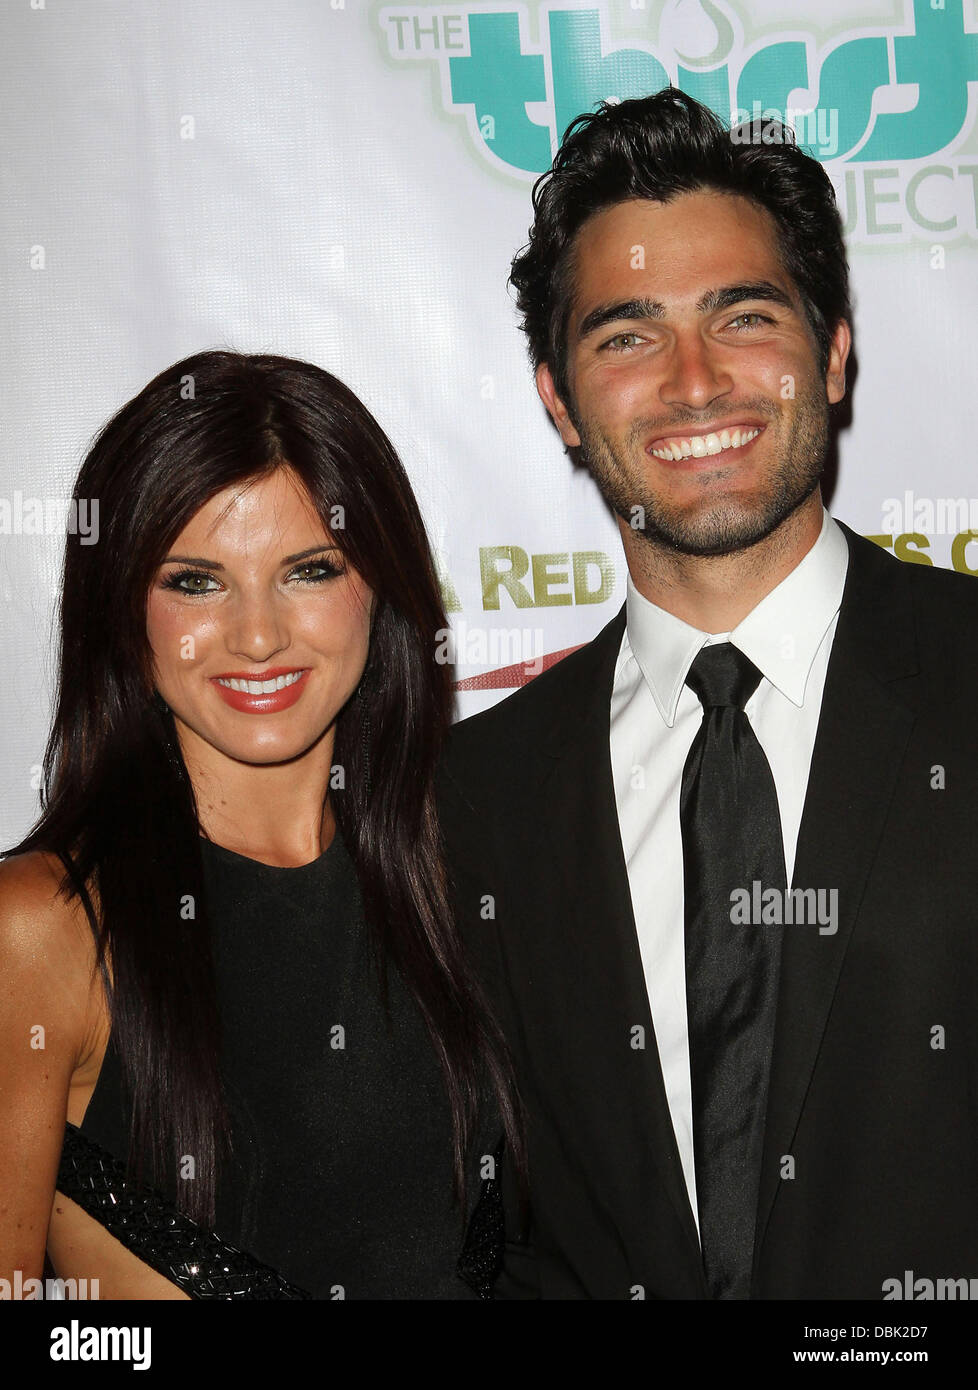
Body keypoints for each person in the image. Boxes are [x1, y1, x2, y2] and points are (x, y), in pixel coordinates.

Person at [438, 88, 978, 1299]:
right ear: (558, 399)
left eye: (742, 315)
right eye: (626, 334)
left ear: (832, 352)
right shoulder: (474, 798)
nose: (693, 381)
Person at [0, 350, 519, 1300]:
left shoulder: (462, 874)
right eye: (196, 582)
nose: (257, 636)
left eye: (309, 571)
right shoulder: (40, 927)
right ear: (123, 606)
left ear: (382, 585)